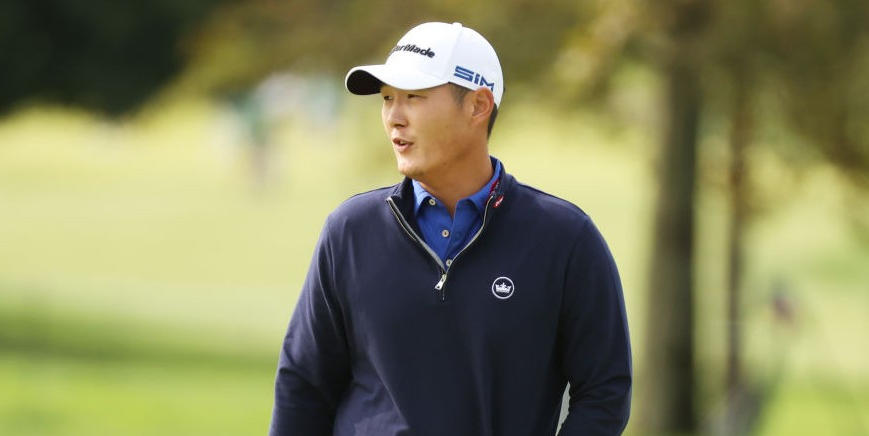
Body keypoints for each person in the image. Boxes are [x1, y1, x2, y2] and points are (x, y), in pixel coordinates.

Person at [270, 22, 632, 435]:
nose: (394, 118)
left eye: (414, 97)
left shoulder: (564, 238)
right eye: (387, 99)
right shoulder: (350, 231)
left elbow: (604, 392)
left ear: (478, 106)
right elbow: (303, 387)